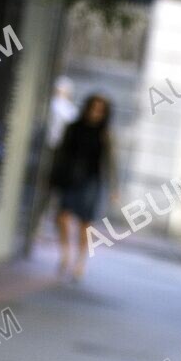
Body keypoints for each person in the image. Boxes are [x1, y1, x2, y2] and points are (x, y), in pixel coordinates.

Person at [49, 93, 116, 281]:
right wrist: (53, 176)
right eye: (93, 108)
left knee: (85, 223)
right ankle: (65, 253)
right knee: (62, 216)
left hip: (91, 181)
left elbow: (110, 162)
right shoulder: (73, 128)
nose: (96, 113)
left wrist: (114, 187)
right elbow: (61, 153)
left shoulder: (105, 134)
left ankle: (79, 262)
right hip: (70, 178)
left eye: (100, 110)